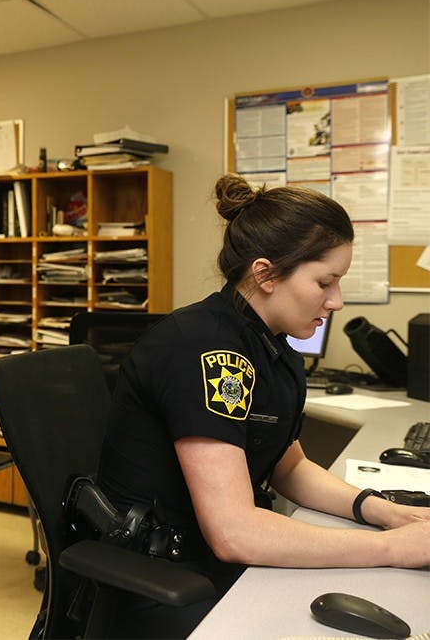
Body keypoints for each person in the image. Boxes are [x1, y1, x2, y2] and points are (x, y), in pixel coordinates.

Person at [96, 173, 430, 637]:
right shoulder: (206, 350)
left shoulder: (271, 347)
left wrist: (386, 512)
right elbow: (234, 532)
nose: (336, 300)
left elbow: (287, 465)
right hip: (164, 577)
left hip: (210, 555)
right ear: (265, 273)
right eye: (324, 282)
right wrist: (395, 549)